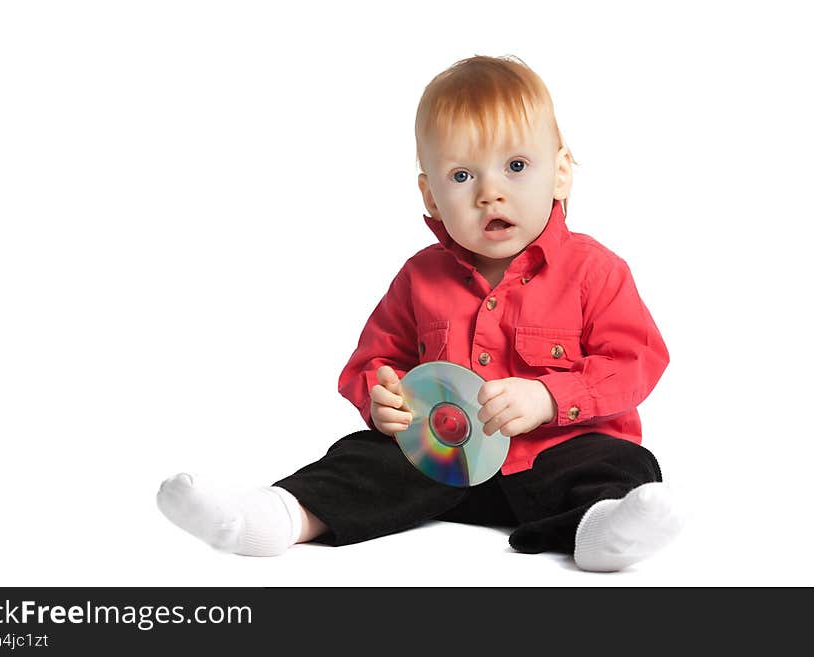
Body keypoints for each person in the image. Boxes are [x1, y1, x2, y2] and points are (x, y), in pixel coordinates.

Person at [157, 54, 683, 572]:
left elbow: (636, 359)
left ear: (561, 174)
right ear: (430, 195)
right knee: (362, 455)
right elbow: (374, 361)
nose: (489, 193)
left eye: (516, 166)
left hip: (554, 457)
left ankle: (600, 529)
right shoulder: (419, 278)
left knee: (621, 464)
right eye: (460, 176)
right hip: (444, 464)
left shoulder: (595, 271)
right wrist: (381, 396)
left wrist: (548, 396)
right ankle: (278, 517)